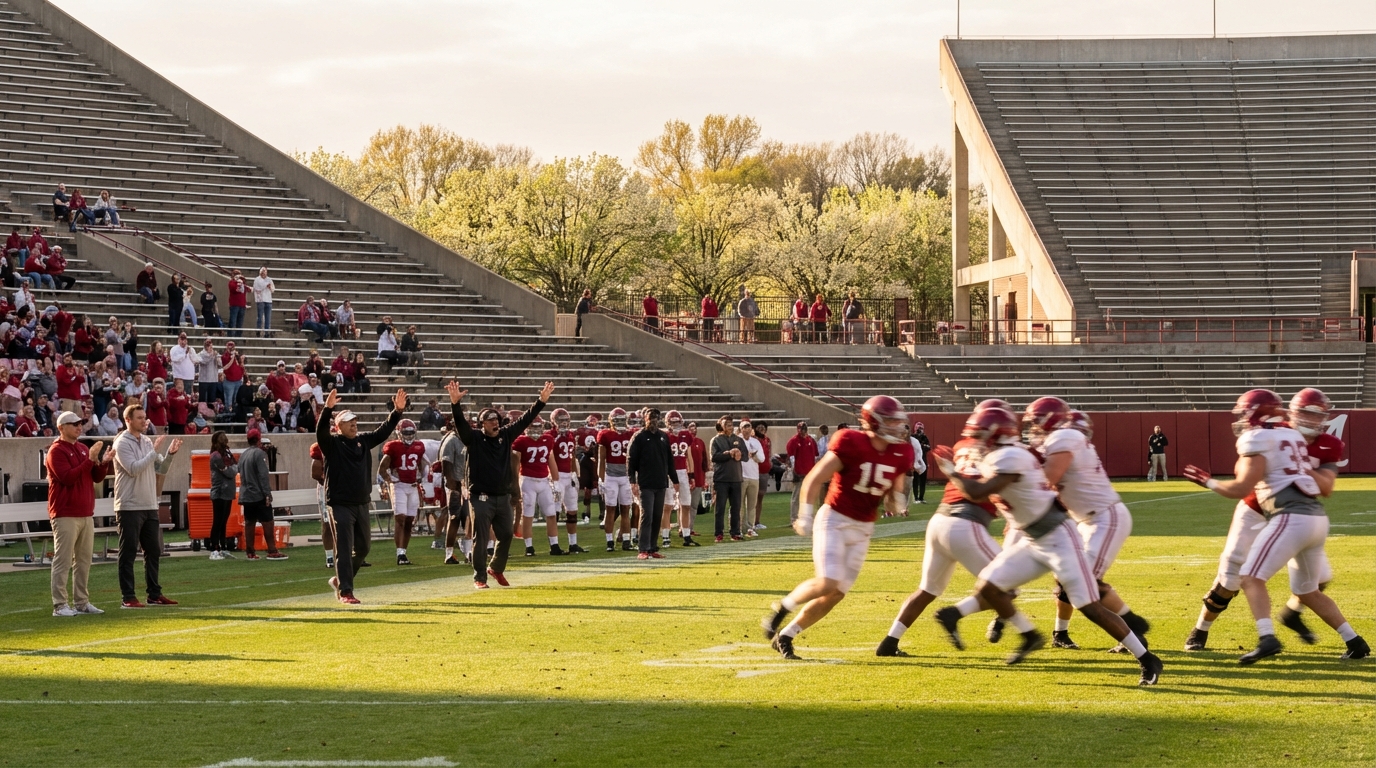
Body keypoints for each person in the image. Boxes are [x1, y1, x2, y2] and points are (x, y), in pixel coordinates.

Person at [933, 407, 1162, 684]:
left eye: (981, 435)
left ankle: (1147, 659)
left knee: (1089, 606)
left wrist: (951, 470)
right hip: (1033, 538)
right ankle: (1030, 636)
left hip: (1059, 538)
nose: (977, 441)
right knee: (988, 587)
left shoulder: (1010, 456)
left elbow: (978, 491)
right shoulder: (1002, 454)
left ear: (996, 434)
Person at [1183, 389, 1369, 662]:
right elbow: (1247, 477)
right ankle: (1200, 629)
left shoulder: (1269, 436)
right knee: (1233, 570)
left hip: (1288, 513)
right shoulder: (1286, 434)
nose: (1311, 419)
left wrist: (1211, 481)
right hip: (1268, 509)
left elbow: (1323, 487)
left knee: (1266, 578)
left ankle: (1272, 633)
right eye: (1305, 412)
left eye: (1316, 415)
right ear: (1289, 412)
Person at [762, 396, 915, 660]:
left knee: (836, 594)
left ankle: (786, 635)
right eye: (891, 420)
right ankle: (783, 607)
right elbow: (815, 478)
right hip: (835, 519)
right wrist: (805, 516)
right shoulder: (851, 442)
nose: (898, 426)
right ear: (874, 423)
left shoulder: (902, 451)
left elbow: (892, 492)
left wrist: (896, 501)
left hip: (864, 527)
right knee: (828, 580)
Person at [877, 402, 1035, 657]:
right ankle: (1026, 634)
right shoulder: (1001, 452)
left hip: (939, 522)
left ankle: (889, 642)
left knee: (927, 589)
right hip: (966, 524)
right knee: (1008, 586)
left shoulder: (962, 447)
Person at [1025, 399, 1150, 652]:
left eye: (1036, 420)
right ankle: (1060, 633)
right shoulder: (1061, 439)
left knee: (1083, 580)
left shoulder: (1065, 437)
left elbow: (1047, 481)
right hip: (1084, 520)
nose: (1033, 427)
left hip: (1104, 518)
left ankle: (1133, 627)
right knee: (1064, 576)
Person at [445, 378, 554, 589]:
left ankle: (495, 568)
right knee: (482, 537)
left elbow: (524, 420)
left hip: (502, 496)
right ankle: (479, 577)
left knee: (505, 535)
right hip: (482, 497)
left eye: (496, 419)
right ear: (481, 424)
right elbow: (460, 425)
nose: (495, 423)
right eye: (490, 420)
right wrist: (455, 404)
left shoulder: (505, 435)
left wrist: (541, 401)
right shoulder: (474, 438)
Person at [316, 387, 406, 604]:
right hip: (340, 504)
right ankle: (346, 591)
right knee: (345, 548)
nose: (354, 424)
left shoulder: (363, 441)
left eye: (355, 420)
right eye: (349, 421)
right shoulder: (332, 444)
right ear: (338, 427)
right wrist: (327, 409)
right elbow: (320, 432)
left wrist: (397, 412)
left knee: (364, 547)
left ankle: (341, 580)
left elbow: (383, 431)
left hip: (361, 502)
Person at [112, 403, 181, 609]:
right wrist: (155, 451)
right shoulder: (122, 443)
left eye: (145, 417)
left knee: (153, 550)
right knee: (129, 551)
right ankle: (128, 596)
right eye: (140, 418)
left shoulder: (147, 441)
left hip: (149, 503)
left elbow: (160, 467)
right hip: (129, 505)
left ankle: (154, 594)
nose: (144, 421)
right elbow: (134, 469)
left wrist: (169, 454)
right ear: (129, 420)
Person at [46, 411, 112, 616]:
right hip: (65, 512)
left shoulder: (83, 448)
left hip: (85, 512)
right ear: (61, 427)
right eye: (73, 424)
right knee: (63, 560)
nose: (78, 427)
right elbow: (67, 478)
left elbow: (96, 477)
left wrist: (104, 462)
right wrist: (89, 461)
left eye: (80, 423)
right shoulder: (56, 451)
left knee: (84, 561)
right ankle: (60, 605)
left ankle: (82, 602)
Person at [512, 416, 565, 557]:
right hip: (528, 481)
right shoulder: (520, 441)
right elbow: (515, 465)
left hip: (544, 481)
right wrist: (515, 484)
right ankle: (529, 547)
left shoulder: (548, 439)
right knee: (528, 515)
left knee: (551, 514)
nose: (536, 430)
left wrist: (556, 481)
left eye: (538, 427)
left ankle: (554, 545)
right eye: (533, 427)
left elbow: (550, 459)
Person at [628, 408, 675, 559]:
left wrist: (675, 479)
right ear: (645, 419)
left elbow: (669, 460)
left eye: (655, 418)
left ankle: (652, 547)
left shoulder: (663, 436)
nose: (653, 421)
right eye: (650, 418)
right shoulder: (639, 437)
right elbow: (631, 459)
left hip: (661, 482)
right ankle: (643, 548)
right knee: (647, 515)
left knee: (657, 515)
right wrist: (632, 481)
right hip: (646, 483)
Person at [379, 419, 427, 565]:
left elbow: (421, 464)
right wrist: (390, 480)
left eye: (411, 432)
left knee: (409, 521)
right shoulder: (393, 446)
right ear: (399, 433)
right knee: (400, 518)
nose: (408, 435)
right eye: (405, 432)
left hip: (412, 486)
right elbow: (382, 468)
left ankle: (404, 553)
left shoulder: (419, 446)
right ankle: (399, 553)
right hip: (399, 486)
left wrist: (422, 477)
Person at [239, 429, 284, 560]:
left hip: (246, 494)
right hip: (258, 493)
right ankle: (272, 549)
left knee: (249, 522)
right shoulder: (259, 454)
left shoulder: (244, 455)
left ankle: (250, 551)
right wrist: (267, 494)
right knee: (268, 521)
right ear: (259, 440)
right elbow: (263, 475)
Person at [546, 408, 586, 554]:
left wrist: (575, 473)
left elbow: (572, 456)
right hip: (556, 477)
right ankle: (554, 545)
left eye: (565, 420)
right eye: (560, 420)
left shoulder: (570, 435)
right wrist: (553, 477)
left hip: (569, 476)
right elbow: (548, 457)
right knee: (554, 511)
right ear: (553, 421)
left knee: (572, 510)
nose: (563, 423)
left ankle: (573, 543)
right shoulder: (550, 436)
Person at [597, 407, 636, 551]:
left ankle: (626, 540)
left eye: (621, 420)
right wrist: (600, 479)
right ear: (611, 422)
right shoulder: (605, 435)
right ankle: (609, 542)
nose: (619, 423)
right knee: (610, 509)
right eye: (617, 420)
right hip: (611, 476)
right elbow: (601, 459)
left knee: (626, 509)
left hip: (626, 476)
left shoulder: (631, 434)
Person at [438, 423, 472, 564]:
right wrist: (452, 486)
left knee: (470, 517)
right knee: (454, 518)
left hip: (468, 483)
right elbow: (446, 464)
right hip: (456, 484)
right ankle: (449, 553)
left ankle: (469, 551)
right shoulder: (451, 440)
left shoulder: (468, 439)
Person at [710, 415, 748, 541]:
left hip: (736, 478)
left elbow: (745, 456)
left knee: (736, 507)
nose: (729, 427)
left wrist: (738, 453)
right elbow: (714, 457)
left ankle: (735, 532)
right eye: (727, 424)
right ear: (721, 426)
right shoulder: (716, 440)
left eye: (731, 424)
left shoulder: (738, 439)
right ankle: (718, 533)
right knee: (720, 507)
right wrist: (728, 454)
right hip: (721, 478)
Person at [664, 410, 697, 547]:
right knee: (667, 506)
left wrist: (692, 475)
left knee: (686, 505)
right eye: (673, 422)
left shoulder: (686, 434)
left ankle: (686, 535)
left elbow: (689, 456)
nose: (676, 425)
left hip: (683, 472)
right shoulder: (664, 436)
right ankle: (665, 536)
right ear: (668, 423)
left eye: (678, 422)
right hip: (668, 472)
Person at [207, 431, 238, 560]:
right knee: (218, 521)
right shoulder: (216, 456)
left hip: (228, 491)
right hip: (219, 491)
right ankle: (214, 548)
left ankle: (223, 547)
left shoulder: (227, 453)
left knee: (224, 521)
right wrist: (233, 469)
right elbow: (230, 472)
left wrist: (233, 468)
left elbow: (236, 467)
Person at [309, 441, 338, 569]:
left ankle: (346, 554)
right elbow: (315, 473)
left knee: (346, 522)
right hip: (326, 488)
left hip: (345, 487)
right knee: (327, 523)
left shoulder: (348, 444)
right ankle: (330, 556)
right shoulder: (319, 449)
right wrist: (328, 483)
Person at [785, 422, 818, 523]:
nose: (803, 431)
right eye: (801, 429)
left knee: (810, 495)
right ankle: (794, 518)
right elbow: (791, 457)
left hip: (810, 472)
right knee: (796, 496)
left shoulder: (811, 440)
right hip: (799, 472)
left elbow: (815, 456)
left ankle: (808, 516)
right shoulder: (794, 441)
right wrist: (794, 470)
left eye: (804, 429)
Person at [739, 421, 766, 538]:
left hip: (754, 476)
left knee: (752, 505)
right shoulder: (737, 440)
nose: (747, 430)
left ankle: (750, 528)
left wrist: (754, 455)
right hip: (741, 476)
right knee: (738, 504)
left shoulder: (755, 442)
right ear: (740, 429)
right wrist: (746, 455)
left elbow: (762, 458)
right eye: (744, 428)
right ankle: (737, 528)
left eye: (748, 427)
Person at [911, 422, 931, 503]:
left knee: (923, 480)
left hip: (923, 460)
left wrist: (921, 445)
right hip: (915, 461)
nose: (919, 430)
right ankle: (916, 498)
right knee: (915, 480)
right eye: (918, 428)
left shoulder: (924, 437)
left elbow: (928, 448)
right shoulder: (912, 437)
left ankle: (921, 498)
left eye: (921, 428)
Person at [252, 267, 275, 335]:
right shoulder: (257, 279)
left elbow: (273, 289)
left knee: (268, 317)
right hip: (260, 300)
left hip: (268, 300)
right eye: (262, 270)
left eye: (264, 270)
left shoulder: (269, 279)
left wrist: (270, 287)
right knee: (260, 316)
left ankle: (267, 332)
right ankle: (258, 330)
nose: (263, 272)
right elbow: (257, 288)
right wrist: (265, 285)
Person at [226, 270, 247, 337]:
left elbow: (246, 290)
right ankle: (230, 336)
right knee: (233, 321)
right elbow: (235, 289)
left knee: (240, 322)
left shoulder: (242, 283)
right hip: (234, 305)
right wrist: (238, 282)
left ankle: (238, 336)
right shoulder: (231, 283)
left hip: (242, 305)